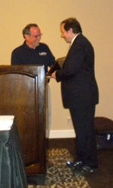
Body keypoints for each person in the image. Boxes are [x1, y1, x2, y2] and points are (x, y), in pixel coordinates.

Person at [50, 18, 99, 175]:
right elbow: (74, 68)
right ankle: (82, 160)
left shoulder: (79, 45)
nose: (62, 35)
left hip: (82, 97)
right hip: (82, 96)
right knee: (82, 130)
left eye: (63, 32)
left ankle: (90, 164)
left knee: (85, 131)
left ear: (71, 31)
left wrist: (56, 74)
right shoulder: (80, 43)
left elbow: (71, 70)